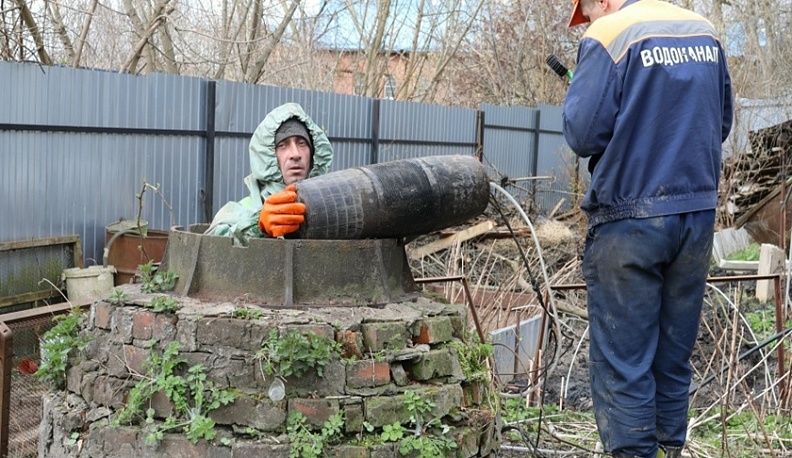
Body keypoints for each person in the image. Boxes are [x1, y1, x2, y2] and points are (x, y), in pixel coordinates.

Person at [562, 0, 733, 457]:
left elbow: (582, 134)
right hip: (696, 219)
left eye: (588, 13)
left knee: (625, 365)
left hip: (629, 221)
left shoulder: (610, 34)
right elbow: (722, 123)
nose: (589, 22)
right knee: (672, 362)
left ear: (601, 1)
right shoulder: (705, 31)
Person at [206, 102, 333, 244]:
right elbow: (209, 244)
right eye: (283, 145)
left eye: (302, 143)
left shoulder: (332, 206)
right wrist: (257, 226)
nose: (295, 154)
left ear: (314, 152)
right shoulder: (244, 209)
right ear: (268, 156)